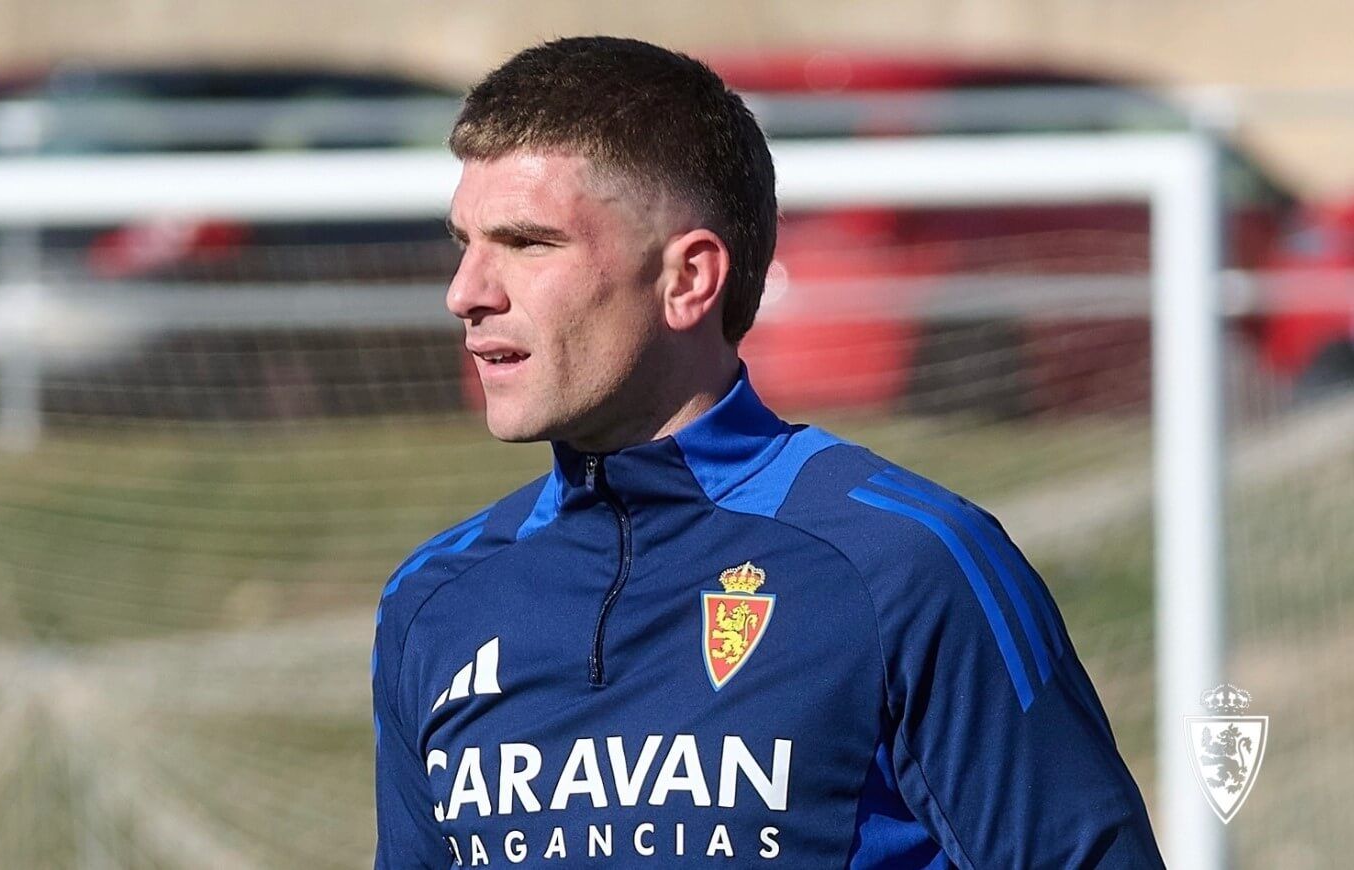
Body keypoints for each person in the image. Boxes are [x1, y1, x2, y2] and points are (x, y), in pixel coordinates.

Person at [373, 36, 1164, 869]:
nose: (466, 292)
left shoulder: (908, 567)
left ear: (688, 280)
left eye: (528, 244)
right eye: (465, 242)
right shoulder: (435, 600)